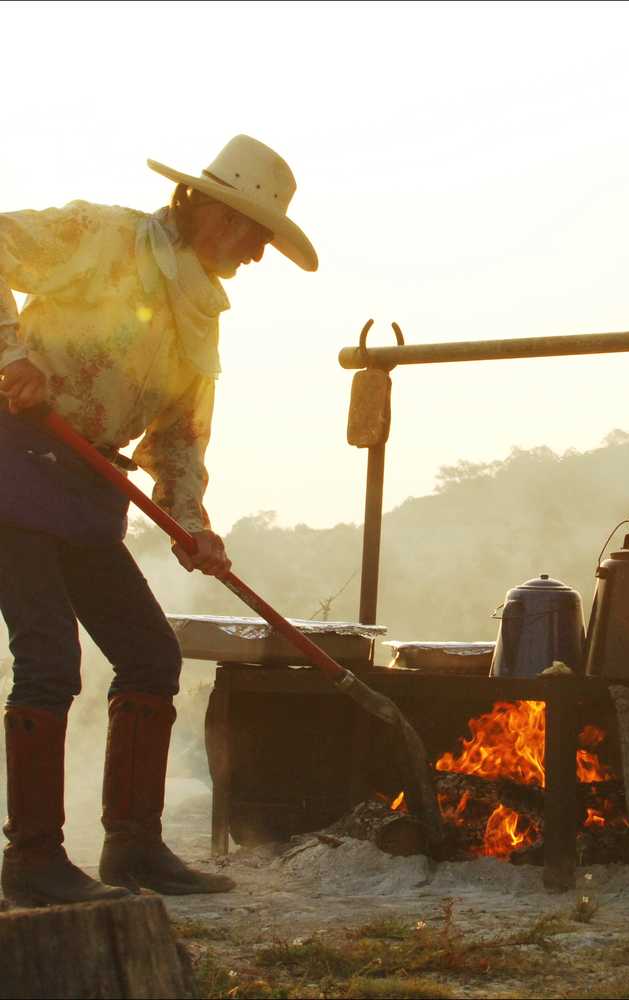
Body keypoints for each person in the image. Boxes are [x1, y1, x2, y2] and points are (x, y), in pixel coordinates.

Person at [0, 135, 318, 907]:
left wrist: (189, 520)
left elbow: (178, 434)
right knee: (49, 661)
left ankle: (134, 850)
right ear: (207, 208)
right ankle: (33, 861)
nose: (256, 255)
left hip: (87, 482)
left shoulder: (200, 318)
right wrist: (10, 352)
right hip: (12, 458)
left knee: (149, 657)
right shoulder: (100, 236)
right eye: (251, 232)